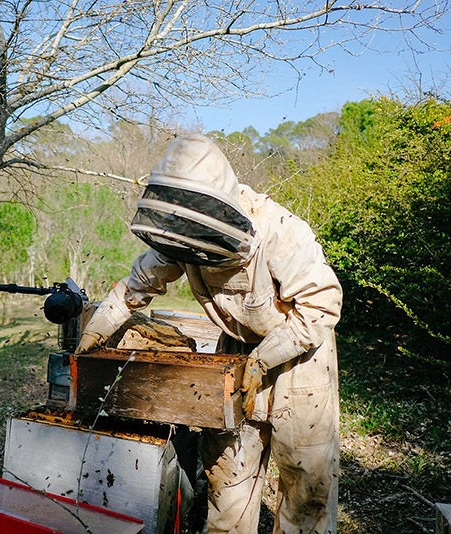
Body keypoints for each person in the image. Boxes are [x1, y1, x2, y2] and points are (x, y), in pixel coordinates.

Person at [76, 134, 343, 534]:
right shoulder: (182, 229)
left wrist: (264, 359)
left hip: (300, 356)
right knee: (227, 479)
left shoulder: (279, 231)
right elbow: (136, 287)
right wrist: (96, 328)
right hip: (234, 348)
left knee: (305, 488)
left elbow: (323, 305)